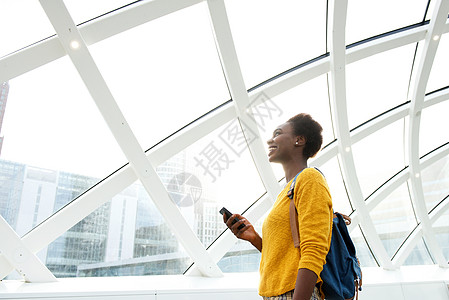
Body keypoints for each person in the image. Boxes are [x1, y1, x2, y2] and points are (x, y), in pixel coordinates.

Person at [223, 113, 333, 300]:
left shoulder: (310, 179)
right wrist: (254, 238)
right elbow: (286, 256)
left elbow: (314, 249)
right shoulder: (287, 191)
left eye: (277, 133)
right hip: (276, 293)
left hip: (294, 294)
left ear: (299, 140)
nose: (269, 140)